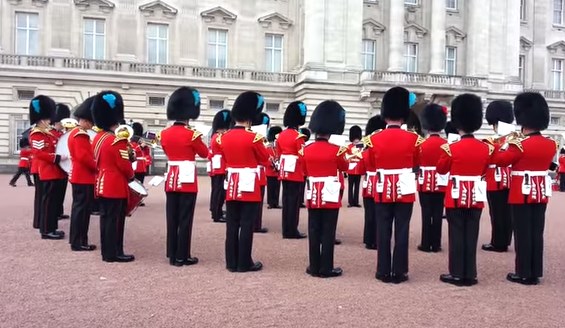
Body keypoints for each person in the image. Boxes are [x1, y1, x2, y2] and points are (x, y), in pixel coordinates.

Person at [492, 92, 558, 285]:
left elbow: (500, 161)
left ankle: (522, 272)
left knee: (522, 232)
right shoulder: (550, 144)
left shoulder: (518, 145)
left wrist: (498, 144)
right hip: (540, 192)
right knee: (536, 232)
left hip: (521, 192)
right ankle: (535, 271)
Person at [364, 87, 421, 284]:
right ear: (404, 115)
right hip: (404, 188)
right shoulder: (414, 139)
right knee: (402, 229)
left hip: (382, 188)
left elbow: (370, 165)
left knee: (383, 229)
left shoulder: (373, 139)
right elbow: (416, 163)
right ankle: (399, 271)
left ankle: (382, 270)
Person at [436, 94, 492, 287]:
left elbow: (441, 169)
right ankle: (471, 273)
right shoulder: (485, 148)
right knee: (472, 233)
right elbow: (485, 170)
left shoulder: (451, 148)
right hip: (475, 194)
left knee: (457, 233)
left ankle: (457, 273)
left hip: (456, 194)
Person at [219, 91, 269, 272]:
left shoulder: (224, 137)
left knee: (232, 223)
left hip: (232, 184)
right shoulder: (253, 137)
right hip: (249, 184)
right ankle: (244, 262)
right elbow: (264, 159)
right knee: (247, 224)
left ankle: (231, 262)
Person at [159, 87, 209, 267]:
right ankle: (183, 255)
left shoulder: (163, 134)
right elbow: (205, 153)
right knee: (185, 218)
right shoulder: (192, 134)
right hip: (187, 179)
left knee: (171, 217)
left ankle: (172, 253)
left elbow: (166, 151)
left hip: (171, 178)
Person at [303, 100, 349, 278]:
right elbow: (344, 167)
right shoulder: (336, 150)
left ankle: (314, 266)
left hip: (314, 192)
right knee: (328, 231)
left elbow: (304, 171)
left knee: (314, 229)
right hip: (330, 193)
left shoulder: (306, 150)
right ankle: (326, 267)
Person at [91, 90, 135, 263]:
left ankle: (107, 252)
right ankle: (114, 253)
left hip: (101, 182)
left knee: (106, 220)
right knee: (115, 222)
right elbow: (124, 167)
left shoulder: (98, 138)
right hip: (115, 185)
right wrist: (132, 177)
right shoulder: (115, 141)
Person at [28, 95, 66, 240]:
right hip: (47, 171)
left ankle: (52, 227)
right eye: (48, 118)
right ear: (42, 118)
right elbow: (39, 153)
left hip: (54, 171)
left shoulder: (48, 132)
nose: (50, 120)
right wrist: (57, 158)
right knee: (47, 203)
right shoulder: (37, 133)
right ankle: (46, 230)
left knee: (52, 202)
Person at [482, 101, 514, 253]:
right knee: (507, 212)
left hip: (495, 180)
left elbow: (486, 160)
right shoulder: (516, 139)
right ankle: (505, 239)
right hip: (512, 180)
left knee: (496, 212)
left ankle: (498, 242)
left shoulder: (491, 141)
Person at [417, 104, 448, 253]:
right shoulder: (446, 145)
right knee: (437, 212)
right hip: (441, 181)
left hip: (424, 182)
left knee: (426, 212)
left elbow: (415, 162)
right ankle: (436, 244)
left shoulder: (422, 144)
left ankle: (425, 243)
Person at [68, 96, 97, 252]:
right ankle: (78, 242)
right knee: (82, 211)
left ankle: (76, 239)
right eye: (91, 122)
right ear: (85, 120)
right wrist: (97, 167)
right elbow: (85, 158)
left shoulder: (74, 133)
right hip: (84, 176)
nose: (92, 125)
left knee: (79, 209)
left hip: (79, 176)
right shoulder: (81, 135)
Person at [277, 101, 308, 239]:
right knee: (294, 202)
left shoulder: (281, 135)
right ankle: (292, 229)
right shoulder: (298, 136)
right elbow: (302, 156)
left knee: (286, 200)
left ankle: (286, 229)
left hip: (284, 170)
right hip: (295, 171)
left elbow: (278, 154)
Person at [361, 115, 386, 250]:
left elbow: (360, 168)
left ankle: (368, 238)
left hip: (368, 183)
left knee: (369, 212)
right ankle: (376, 239)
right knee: (379, 212)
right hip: (380, 181)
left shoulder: (366, 149)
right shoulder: (381, 148)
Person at [209, 109, 231, 223]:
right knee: (220, 191)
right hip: (221, 165)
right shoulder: (219, 137)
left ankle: (216, 211)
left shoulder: (215, 136)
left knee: (217, 190)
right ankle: (217, 214)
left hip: (218, 165)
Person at [252, 113, 271, 234]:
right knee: (257, 202)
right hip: (257, 173)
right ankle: (256, 225)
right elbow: (265, 158)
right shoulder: (258, 139)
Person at [52, 103, 71, 220]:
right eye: (60, 124)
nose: (62, 126)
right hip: (55, 166)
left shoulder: (61, 134)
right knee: (54, 193)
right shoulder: (52, 134)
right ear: (56, 122)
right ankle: (55, 213)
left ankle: (59, 211)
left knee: (61, 192)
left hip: (62, 168)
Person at [346, 125, 363, 208]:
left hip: (358, 169)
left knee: (357, 186)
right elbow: (346, 157)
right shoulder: (348, 147)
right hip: (351, 169)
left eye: (357, 140)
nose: (356, 142)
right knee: (350, 186)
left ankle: (356, 201)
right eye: (355, 141)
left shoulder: (361, 146)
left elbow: (362, 157)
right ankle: (350, 202)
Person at [266, 126, 282, 209]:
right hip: (270, 170)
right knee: (270, 187)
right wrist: (272, 163)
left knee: (277, 187)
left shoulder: (277, 147)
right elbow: (266, 157)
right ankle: (270, 202)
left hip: (277, 170)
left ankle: (275, 202)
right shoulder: (268, 147)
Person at [298, 127, 311, 208]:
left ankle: (300, 200)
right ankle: (299, 200)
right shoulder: (302, 144)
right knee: (300, 186)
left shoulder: (304, 145)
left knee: (301, 186)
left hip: (301, 167)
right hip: (300, 167)